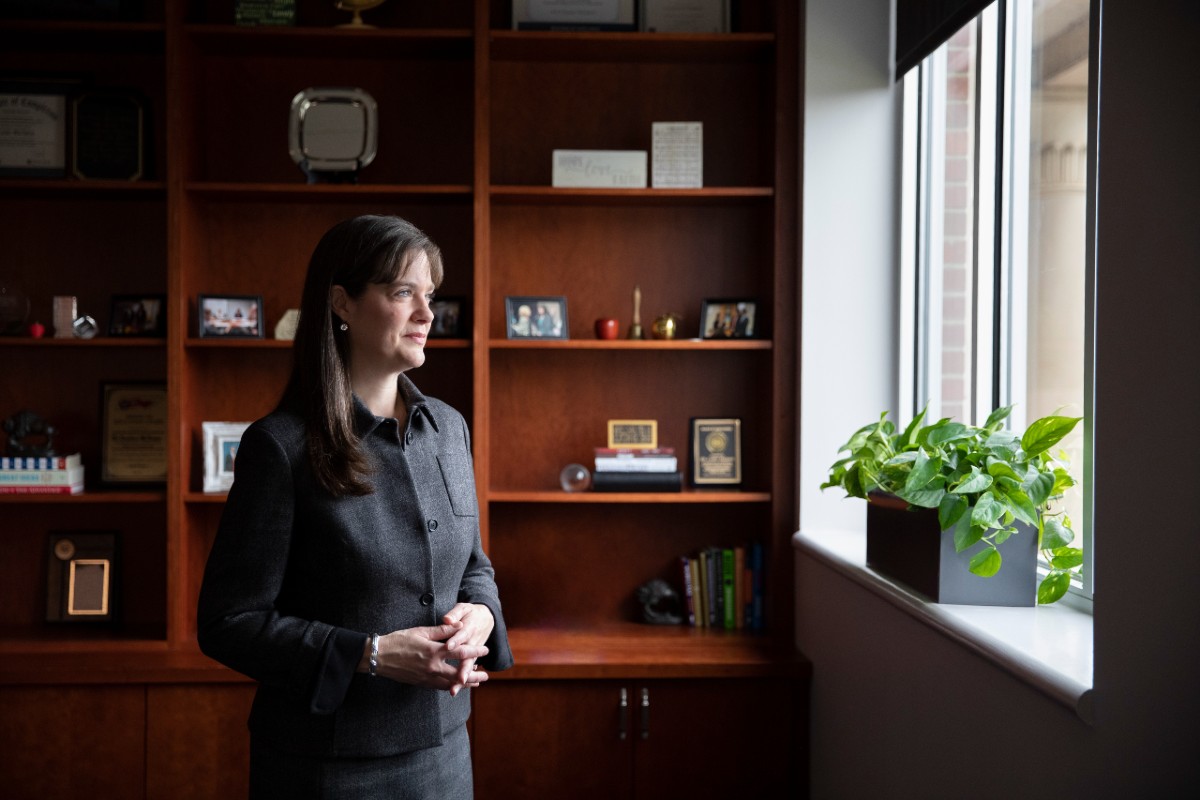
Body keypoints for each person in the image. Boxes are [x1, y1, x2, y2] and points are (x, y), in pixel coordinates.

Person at [197, 214, 513, 799]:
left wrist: (482, 617)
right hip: (327, 766)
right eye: (402, 292)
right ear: (342, 303)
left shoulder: (449, 428)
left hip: (445, 754)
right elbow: (228, 623)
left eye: (430, 296)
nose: (427, 314)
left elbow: (473, 566)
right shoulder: (281, 446)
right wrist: (371, 654)